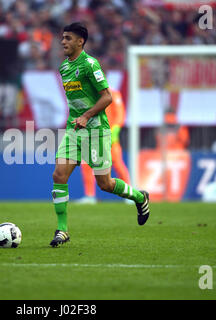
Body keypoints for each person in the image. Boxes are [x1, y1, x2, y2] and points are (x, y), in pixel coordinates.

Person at [50, 22, 151, 247]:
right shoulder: (64, 67)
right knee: (59, 175)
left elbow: (107, 97)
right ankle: (62, 230)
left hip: (96, 130)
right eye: (62, 37)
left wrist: (86, 116)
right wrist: (77, 120)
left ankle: (139, 197)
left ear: (80, 41)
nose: (63, 41)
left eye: (68, 38)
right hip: (74, 130)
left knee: (104, 183)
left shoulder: (90, 64)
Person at [78, 89, 132, 204]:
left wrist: (115, 130)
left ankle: (129, 195)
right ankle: (90, 196)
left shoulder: (114, 94)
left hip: (109, 137)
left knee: (117, 164)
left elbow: (120, 114)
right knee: (86, 165)